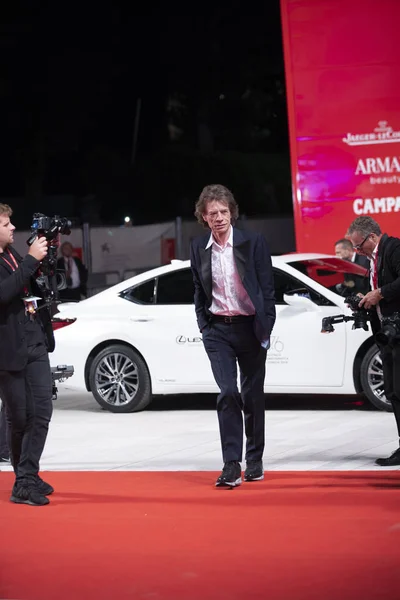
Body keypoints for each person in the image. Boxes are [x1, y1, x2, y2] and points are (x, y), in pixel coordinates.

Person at [190, 184, 276, 488]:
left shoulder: (253, 242)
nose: (219, 217)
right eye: (212, 213)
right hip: (217, 330)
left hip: (250, 327)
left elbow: (267, 289)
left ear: (231, 212)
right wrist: (204, 325)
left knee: (252, 396)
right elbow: (199, 290)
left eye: (223, 211)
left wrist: (266, 327)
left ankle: (254, 459)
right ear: (204, 216)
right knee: (228, 392)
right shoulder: (198, 247)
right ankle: (230, 464)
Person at [0, 203, 55, 505]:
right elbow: (4, 292)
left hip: (33, 340)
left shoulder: (11, 254)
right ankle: (24, 478)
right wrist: (31, 261)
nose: (12, 228)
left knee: (42, 413)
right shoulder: (13, 258)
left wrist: (40, 262)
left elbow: (25, 287)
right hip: (8, 348)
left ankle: (26, 477)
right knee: (18, 418)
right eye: (6, 223)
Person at [347, 216, 400, 466]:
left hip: (398, 331)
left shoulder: (394, 248)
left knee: (398, 390)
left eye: (359, 246)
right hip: (386, 335)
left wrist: (379, 293)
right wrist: (364, 297)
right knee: (392, 392)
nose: (357, 251)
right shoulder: (373, 260)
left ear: (372, 237)